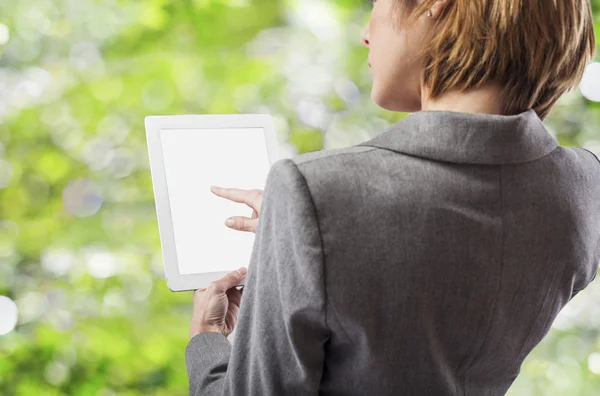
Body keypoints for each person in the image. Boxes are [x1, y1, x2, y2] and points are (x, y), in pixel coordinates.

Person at [185, 0, 599, 394]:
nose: (366, 34)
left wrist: (206, 338)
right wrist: (302, 235)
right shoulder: (585, 186)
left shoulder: (314, 189)